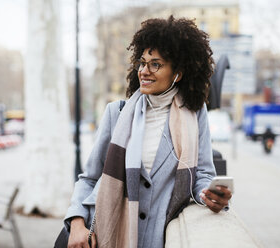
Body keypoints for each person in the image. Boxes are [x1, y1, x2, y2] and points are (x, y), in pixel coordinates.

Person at [63, 16, 232, 248]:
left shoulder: (195, 114)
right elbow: (90, 178)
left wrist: (212, 194)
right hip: (105, 235)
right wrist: (76, 222)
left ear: (178, 73)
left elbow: (202, 173)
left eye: (156, 64)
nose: (144, 71)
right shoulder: (117, 113)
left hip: (158, 239)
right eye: (142, 63)